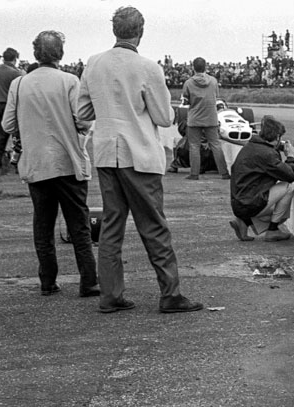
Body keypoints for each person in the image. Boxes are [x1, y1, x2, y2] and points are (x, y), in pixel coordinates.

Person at [77, 6, 202, 314]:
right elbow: (162, 116)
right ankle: (170, 293)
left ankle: (111, 295)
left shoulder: (93, 64)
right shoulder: (148, 68)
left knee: (111, 227)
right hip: (139, 155)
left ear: (114, 31)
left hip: (107, 153)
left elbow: (82, 113)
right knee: (154, 226)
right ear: (140, 33)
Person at [1, 30, 99, 298]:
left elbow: (8, 124)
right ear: (61, 54)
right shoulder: (69, 81)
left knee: (42, 225)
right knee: (78, 225)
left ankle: (47, 280)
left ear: (35, 54)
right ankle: (89, 281)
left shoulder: (19, 84)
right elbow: (84, 120)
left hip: (36, 163)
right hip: (67, 162)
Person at [229, 115, 294, 242]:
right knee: (289, 187)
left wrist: (276, 148)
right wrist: (291, 157)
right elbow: (290, 175)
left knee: (268, 194)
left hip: (239, 202)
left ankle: (244, 222)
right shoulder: (267, 154)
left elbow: (265, 157)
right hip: (248, 203)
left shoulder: (251, 147)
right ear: (278, 137)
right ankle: (272, 230)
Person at [180, 57, 230, 181]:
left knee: (194, 146)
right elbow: (216, 96)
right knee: (216, 145)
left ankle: (194, 173)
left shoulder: (188, 83)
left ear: (193, 67)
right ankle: (224, 173)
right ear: (205, 67)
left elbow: (185, 101)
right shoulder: (213, 81)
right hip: (211, 117)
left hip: (195, 118)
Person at [0, 48, 23, 169]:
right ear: (15, 58)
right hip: (10, 104)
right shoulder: (15, 73)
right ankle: (17, 160)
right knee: (17, 133)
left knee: (0, 134)